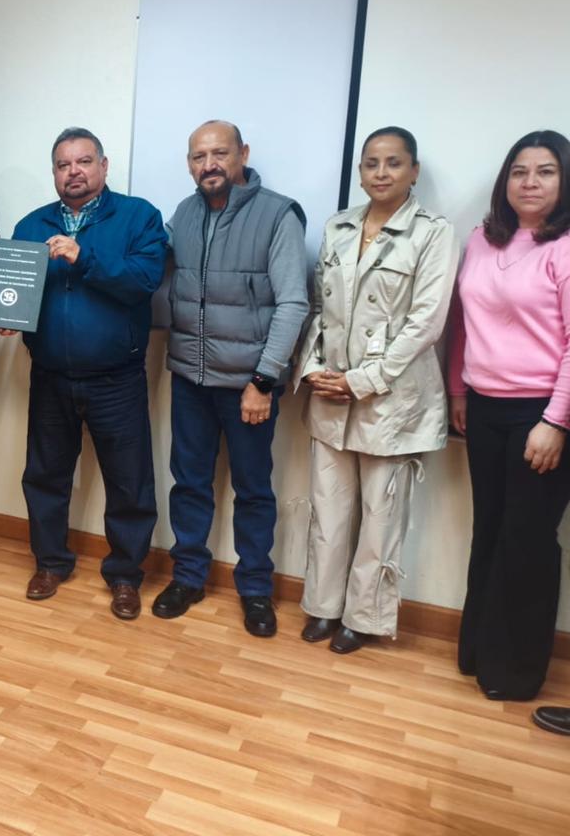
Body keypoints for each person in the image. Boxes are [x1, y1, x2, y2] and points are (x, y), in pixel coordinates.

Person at [294, 127, 457, 653]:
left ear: (413, 171)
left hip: (391, 402)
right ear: (361, 172)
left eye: (393, 163)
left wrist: (362, 381)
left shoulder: (433, 233)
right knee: (328, 511)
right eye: (371, 163)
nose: (381, 173)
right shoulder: (338, 226)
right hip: (330, 395)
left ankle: (362, 619)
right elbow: (318, 308)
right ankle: (323, 608)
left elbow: (426, 323)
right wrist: (312, 369)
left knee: (381, 519)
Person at [153, 120, 308, 637]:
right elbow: (159, 276)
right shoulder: (184, 214)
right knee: (189, 484)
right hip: (189, 380)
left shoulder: (278, 215)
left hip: (248, 386)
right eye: (199, 156)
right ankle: (188, 578)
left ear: (243, 153)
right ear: (189, 164)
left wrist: (263, 381)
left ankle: (256, 590)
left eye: (219, 153)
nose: (209, 164)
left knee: (253, 490)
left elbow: (293, 304)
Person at [11, 128, 167, 618]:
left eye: (83, 161)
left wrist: (84, 256)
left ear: (104, 165)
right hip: (50, 375)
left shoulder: (139, 216)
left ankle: (125, 576)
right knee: (45, 476)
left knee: (129, 482)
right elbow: (19, 293)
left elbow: (143, 280)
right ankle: (50, 563)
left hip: (115, 378)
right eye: (63, 164)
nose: (73, 171)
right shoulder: (31, 224)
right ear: (54, 173)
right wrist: (6, 314)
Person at [448, 129, 570, 701]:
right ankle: (478, 650)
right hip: (483, 406)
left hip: (541, 414)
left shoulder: (564, 246)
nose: (530, 183)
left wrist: (557, 422)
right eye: (520, 171)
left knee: (528, 539)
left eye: (545, 172)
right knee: (491, 529)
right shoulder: (482, 239)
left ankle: (516, 671)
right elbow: (463, 322)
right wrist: (458, 391)